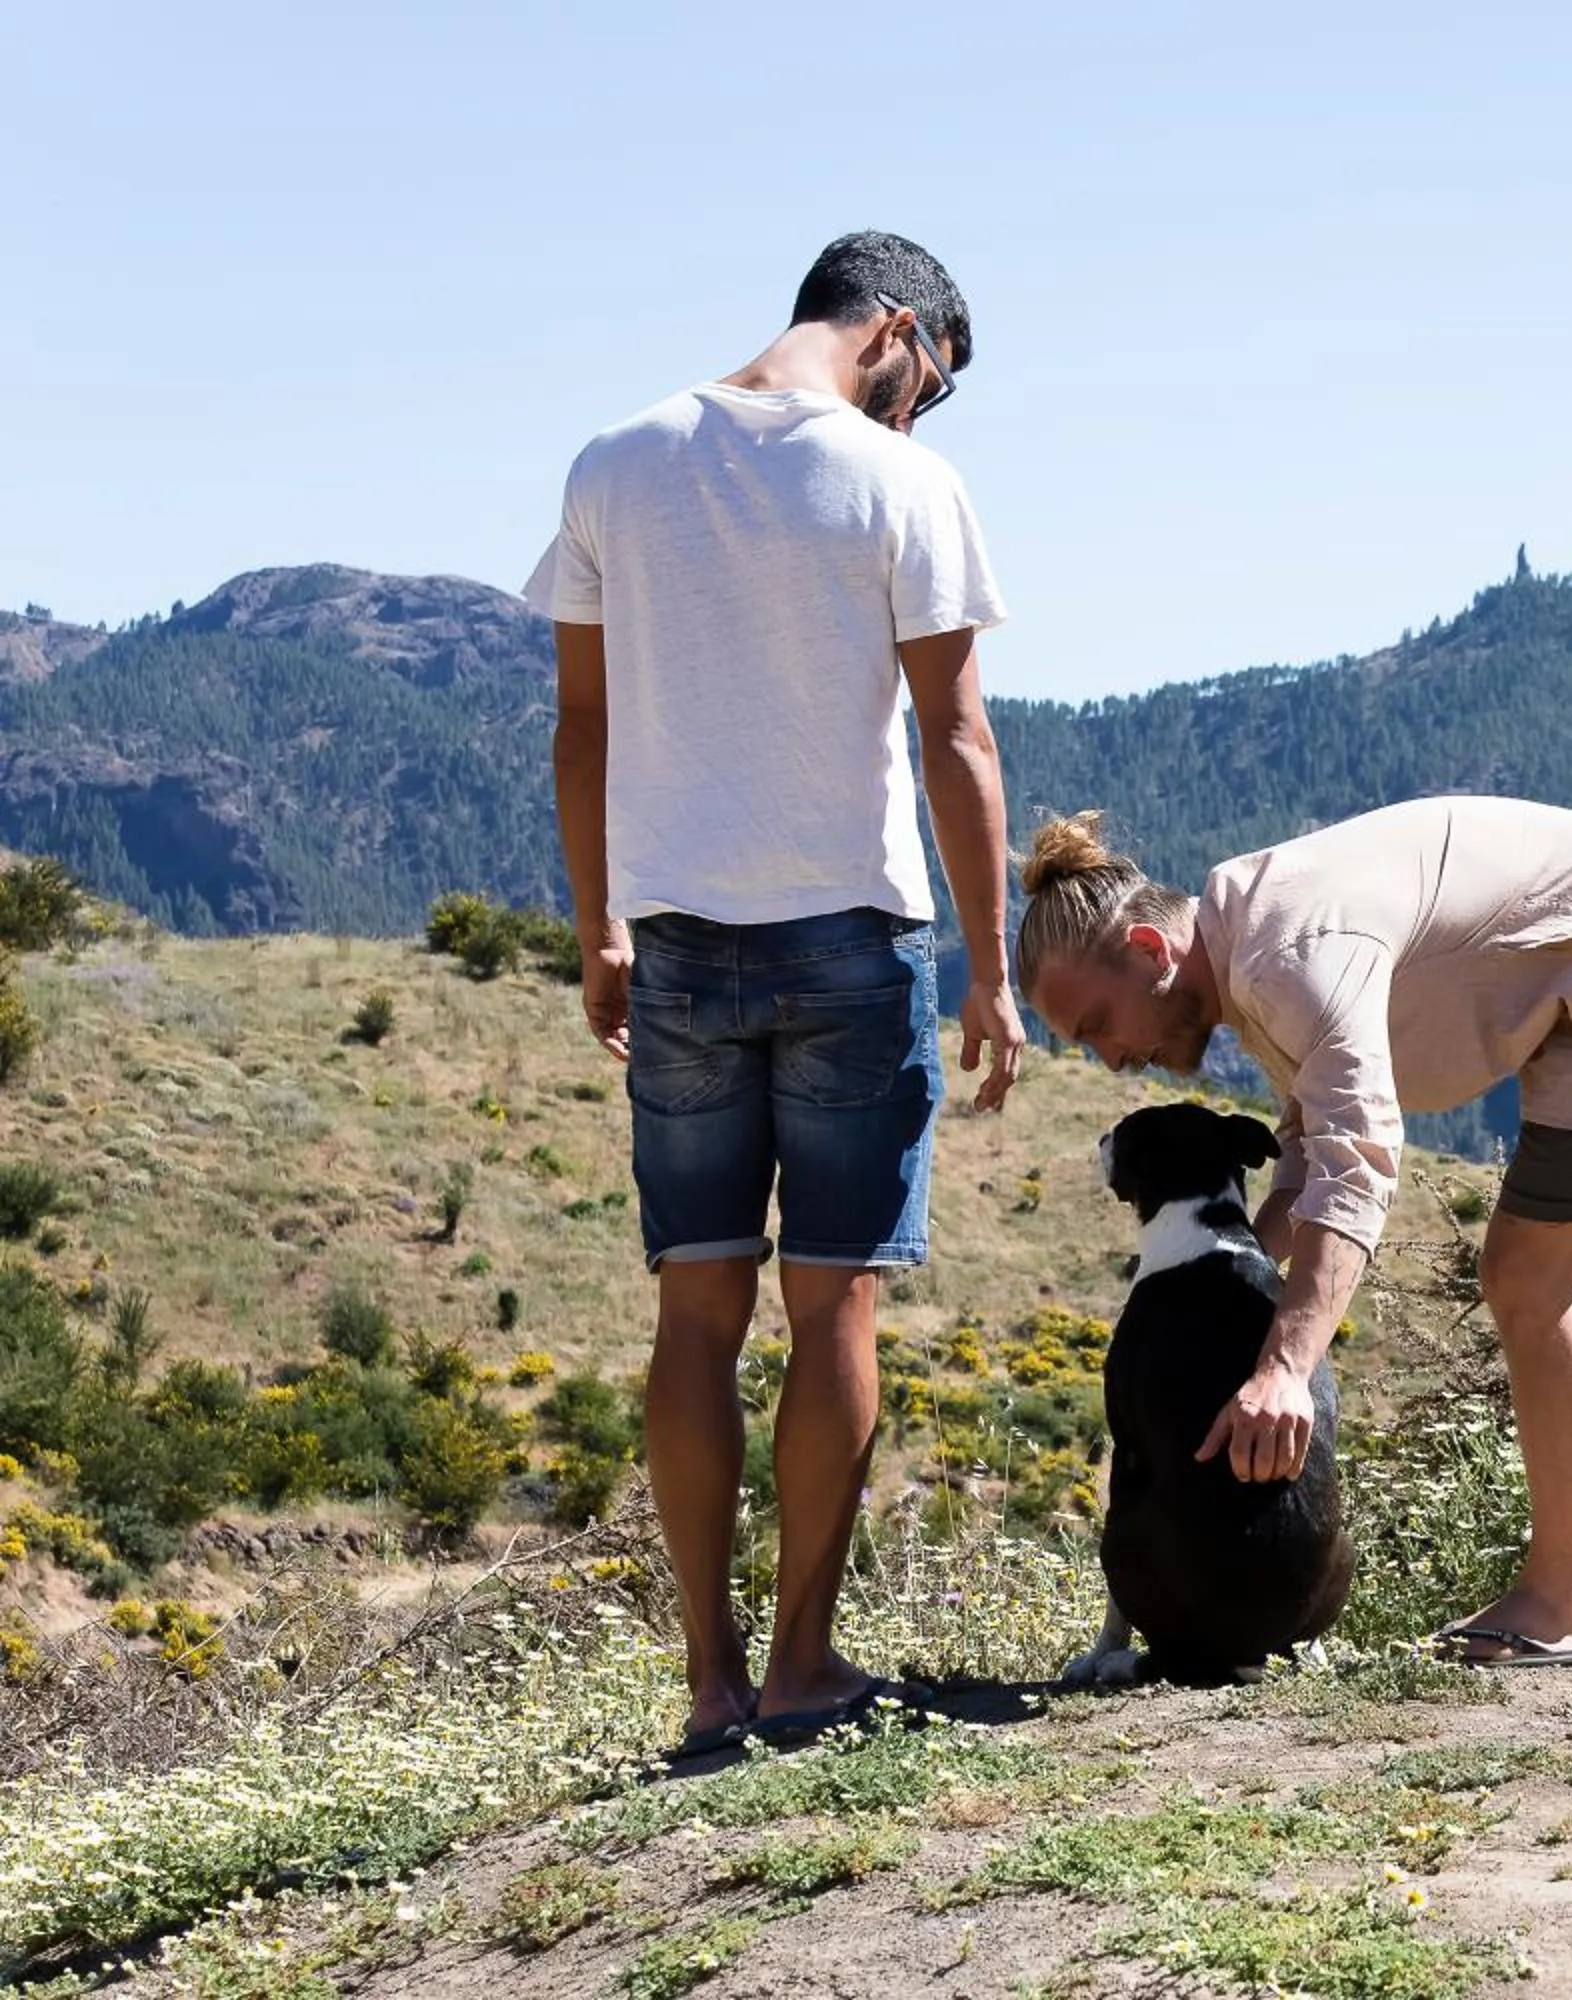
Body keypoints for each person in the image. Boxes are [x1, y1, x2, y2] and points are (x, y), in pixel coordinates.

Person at [534, 230, 1023, 1754]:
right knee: (837, 1303)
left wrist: (597, 927)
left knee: (696, 1310)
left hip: (678, 940)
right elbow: (957, 744)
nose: (916, 417)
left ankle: (706, 1683)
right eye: (925, 385)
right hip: (848, 943)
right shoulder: (902, 490)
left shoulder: (616, 461)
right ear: (893, 331)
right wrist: (992, 971)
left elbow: (581, 730)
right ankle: (804, 1667)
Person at [1016, 796, 1572, 1667]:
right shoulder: (1251, 945)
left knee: (1527, 1276)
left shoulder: (1287, 955)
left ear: (1150, 951)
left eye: (1096, 1027)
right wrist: (1219, 1269)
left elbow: (1357, 1163)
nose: (1111, 1060)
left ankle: (1563, 1603)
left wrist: (1283, 1369)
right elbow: (1307, 1153)